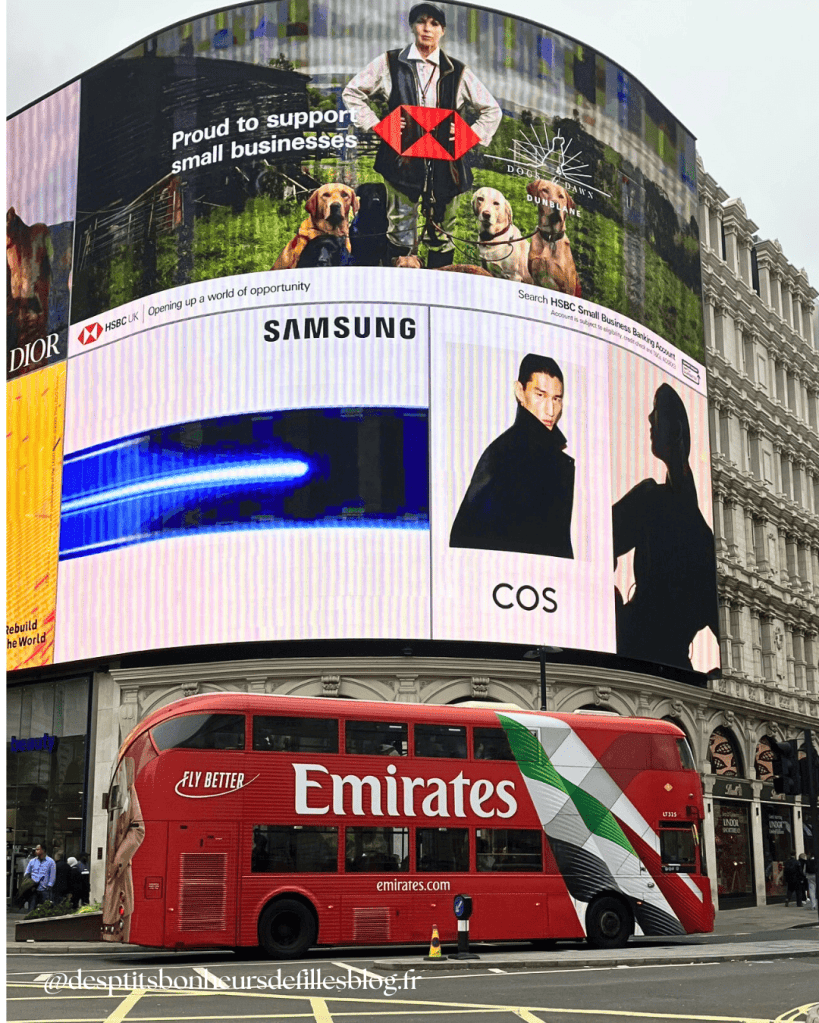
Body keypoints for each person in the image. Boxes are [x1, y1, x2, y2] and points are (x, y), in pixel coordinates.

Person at [342, 3, 502, 267]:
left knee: (442, 233)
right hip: (400, 164)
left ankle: (438, 295)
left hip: (446, 168)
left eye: (434, 24)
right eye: (421, 22)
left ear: (443, 31)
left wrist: (467, 136)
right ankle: (399, 290)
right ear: (413, 26)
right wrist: (378, 126)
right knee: (400, 228)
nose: (427, 29)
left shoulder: (458, 71)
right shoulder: (389, 62)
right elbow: (352, 93)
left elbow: (492, 110)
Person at [612, 383, 719, 671]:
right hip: (665, 663)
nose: (649, 418)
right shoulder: (702, 537)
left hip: (639, 656)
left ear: (677, 431)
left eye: (657, 411)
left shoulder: (654, 501)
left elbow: (597, 543)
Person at [450, 353, 574, 558]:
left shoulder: (543, 454)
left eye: (556, 399)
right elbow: (465, 537)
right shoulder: (505, 454)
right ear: (520, 392)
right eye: (540, 395)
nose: (550, 410)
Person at [24, 844, 56, 909]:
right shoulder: (32, 861)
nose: (36, 851)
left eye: (38, 849)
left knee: (44, 909)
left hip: (44, 889)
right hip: (33, 889)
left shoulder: (51, 862)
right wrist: (29, 882)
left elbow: (52, 875)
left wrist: (49, 886)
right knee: (31, 908)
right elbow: (27, 873)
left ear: (43, 850)